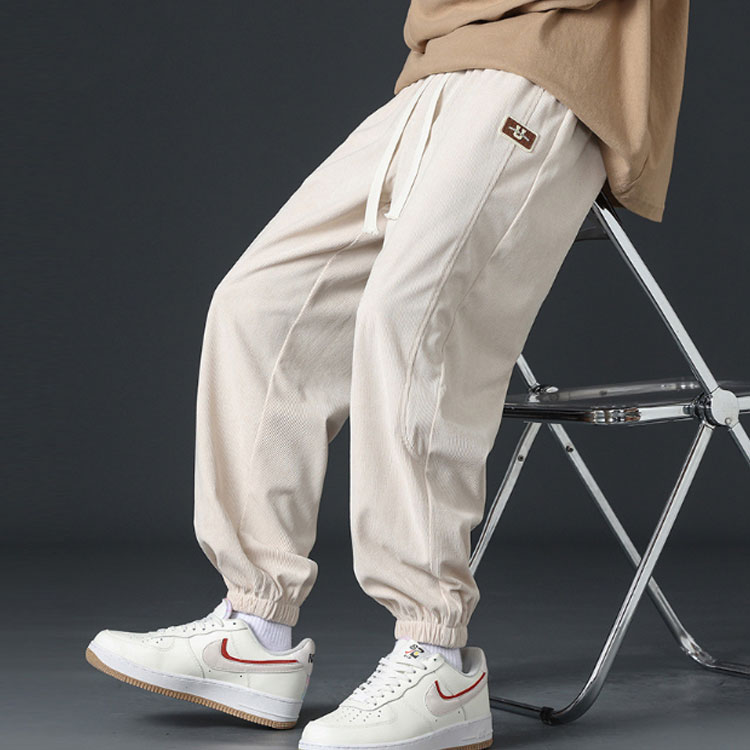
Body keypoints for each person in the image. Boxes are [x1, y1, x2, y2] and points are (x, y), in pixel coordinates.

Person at [85, 2, 689, 748]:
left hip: (547, 66)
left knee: (409, 316)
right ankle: (254, 629)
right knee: (257, 308)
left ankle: (438, 660)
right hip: (434, 75)